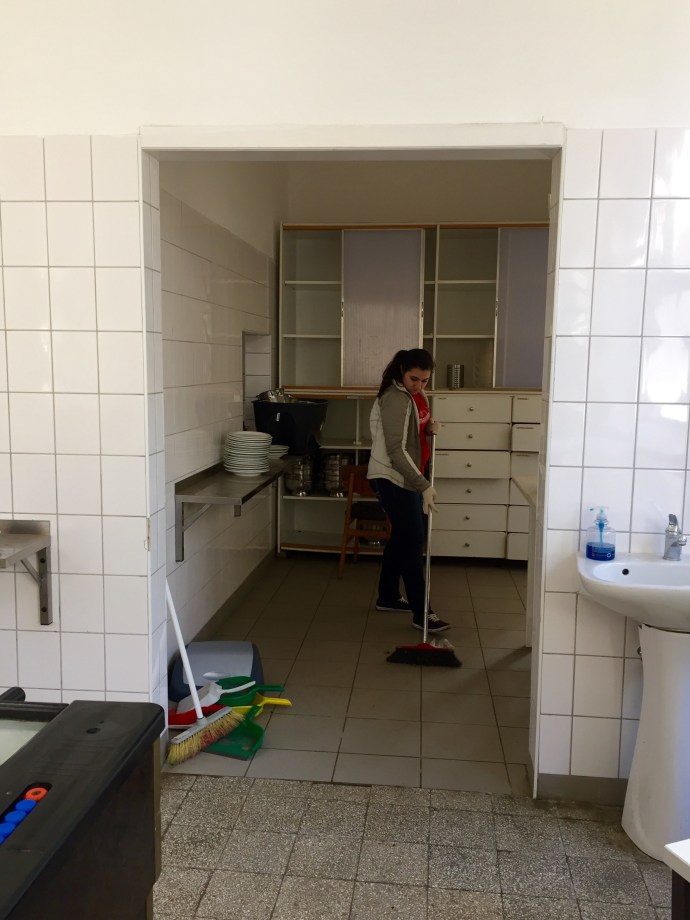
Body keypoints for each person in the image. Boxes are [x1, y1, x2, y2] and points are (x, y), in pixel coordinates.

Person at [367, 348, 450, 633]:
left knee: (403, 538)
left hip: (410, 476)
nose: (419, 385)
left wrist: (429, 429)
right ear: (402, 371)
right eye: (414, 379)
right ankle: (422, 612)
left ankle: (388, 596)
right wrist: (423, 485)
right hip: (393, 478)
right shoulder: (395, 398)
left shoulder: (417, 395)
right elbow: (395, 449)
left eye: (425, 380)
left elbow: (413, 432)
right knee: (413, 542)